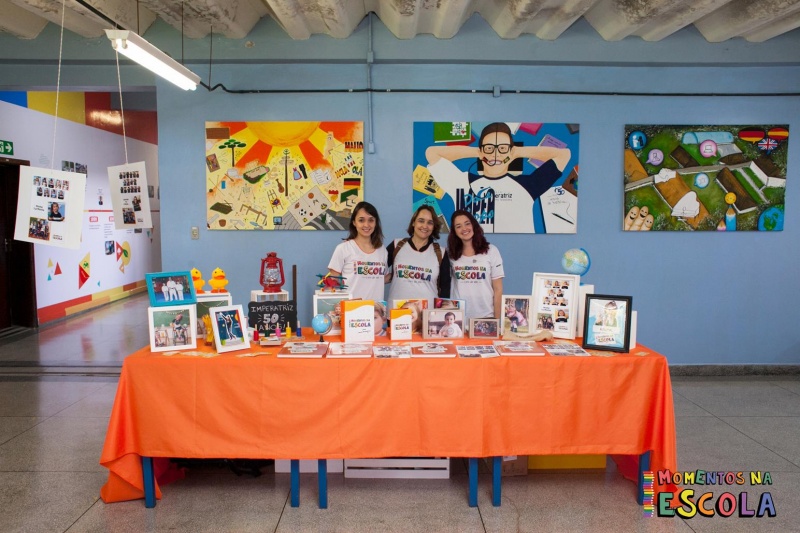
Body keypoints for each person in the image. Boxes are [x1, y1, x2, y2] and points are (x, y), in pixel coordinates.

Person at [425, 122, 571, 233]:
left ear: (511, 152)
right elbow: (432, 153)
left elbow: (563, 155)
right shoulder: (461, 182)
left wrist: (517, 152)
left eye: (502, 148)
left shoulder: (528, 185)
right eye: (489, 148)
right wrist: (477, 152)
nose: (495, 155)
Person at [440, 210, 504, 320]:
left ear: (473, 225)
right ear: (454, 231)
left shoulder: (491, 251)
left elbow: (498, 289)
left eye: (467, 223)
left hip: (486, 316)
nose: (464, 228)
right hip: (458, 317)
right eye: (458, 226)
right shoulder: (450, 254)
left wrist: (496, 321)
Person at [327, 201, 388, 302]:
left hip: (377, 309)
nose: (366, 225)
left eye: (371, 220)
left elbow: (383, 279)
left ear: (376, 223)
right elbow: (332, 282)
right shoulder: (343, 248)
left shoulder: (382, 250)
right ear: (354, 222)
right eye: (361, 220)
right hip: (352, 308)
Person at [386, 205, 445, 309]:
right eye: (421, 221)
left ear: (434, 226)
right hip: (397, 312)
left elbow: (445, 288)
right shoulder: (397, 245)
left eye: (430, 223)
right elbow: (377, 271)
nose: (425, 226)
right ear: (413, 222)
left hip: (427, 314)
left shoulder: (441, 253)